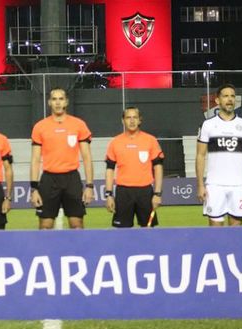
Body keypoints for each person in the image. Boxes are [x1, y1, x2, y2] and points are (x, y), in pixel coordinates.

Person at [195, 83, 242, 226]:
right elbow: (200, 155)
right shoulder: (208, 125)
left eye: (232, 96)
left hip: (239, 186)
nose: (230, 99)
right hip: (214, 185)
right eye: (225, 96)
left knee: (236, 231)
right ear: (218, 101)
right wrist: (200, 184)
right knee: (215, 231)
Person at [30, 87, 94, 229]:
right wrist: (34, 189)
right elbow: (35, 159)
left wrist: (89, 186)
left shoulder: (79, 125)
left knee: (77, 225)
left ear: (66, 102)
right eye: (54, 99)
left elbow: (87, 157)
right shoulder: (40, 127)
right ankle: (46, 252)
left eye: (61, 99)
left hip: (72, 179)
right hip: (48, 180)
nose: (58, 103)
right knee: (45, 226)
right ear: (49, 103)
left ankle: (76, 252)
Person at [104, 106, 165, 227]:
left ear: (140, 120)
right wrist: (109, 195)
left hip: (145, 192)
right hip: (123, 193)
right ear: (123, 120)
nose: (132, 121)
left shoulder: (150, 140)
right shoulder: (115, 142)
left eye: (135, 117)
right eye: (128, 117)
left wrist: (157, 194)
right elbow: (110, 170)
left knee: (148, 231)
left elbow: (158, 168)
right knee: (123, 234)